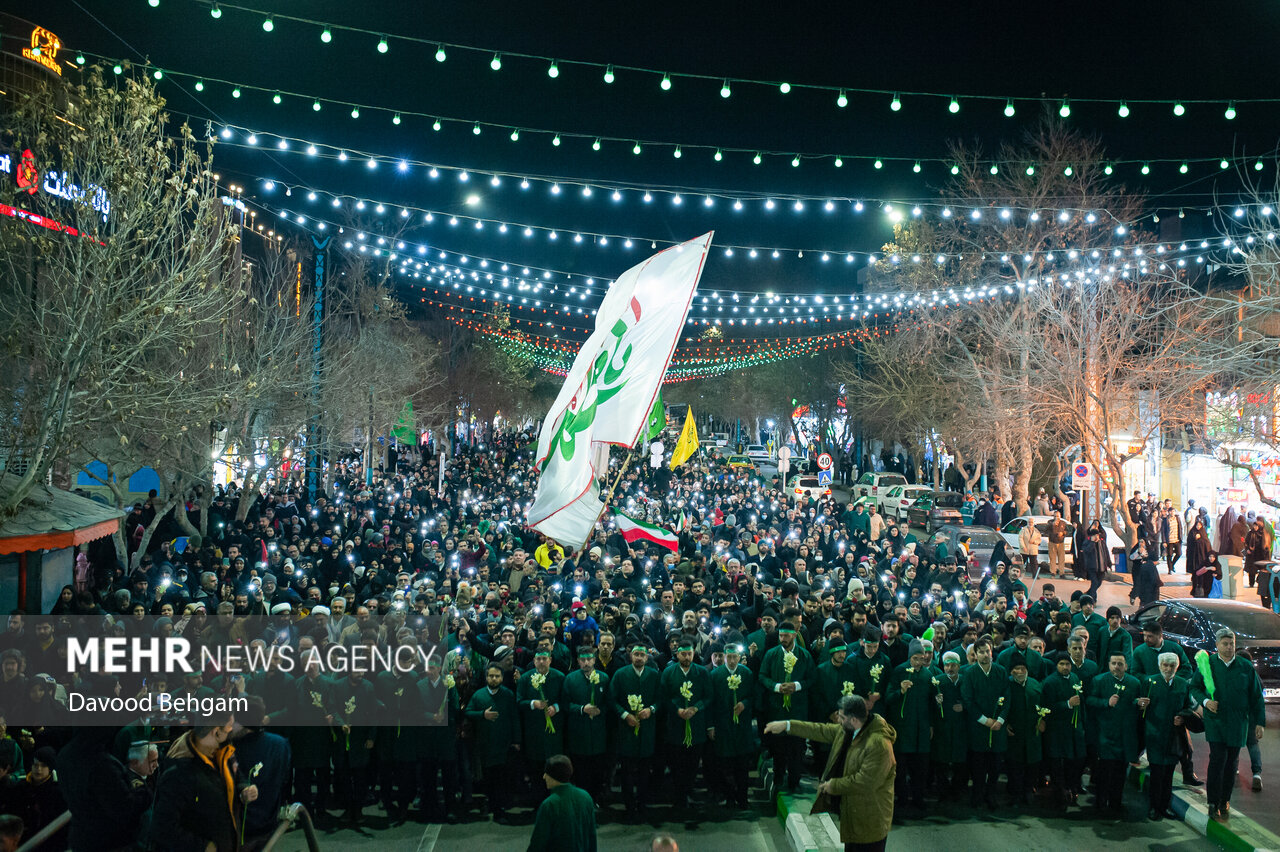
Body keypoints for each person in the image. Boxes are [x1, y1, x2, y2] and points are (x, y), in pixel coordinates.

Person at [764, 695, 895, 852]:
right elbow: (821, 730)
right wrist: (787, 725)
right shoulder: (849, 730)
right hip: (853, 815)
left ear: (853, 719)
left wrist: (833, 785)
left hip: (870, 819)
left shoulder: (879, 744)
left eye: (841, 716)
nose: (838, 719)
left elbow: (865, 782)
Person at [152, 711, 259, 852]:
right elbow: (163, 828)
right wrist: (202, 846)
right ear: (216, 732)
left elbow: (236, 776)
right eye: (229, 726)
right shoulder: (179, 773)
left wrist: (243, 788)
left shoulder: (222, 753)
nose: (232, 729)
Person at [1190, 628, 1266, 821]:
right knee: (1217, 760)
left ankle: (1225, 800)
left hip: (1238, 723)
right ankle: (1212, 802)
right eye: (1225, 643)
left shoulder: (1245, 667)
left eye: (1231, 643)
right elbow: (1195, 686)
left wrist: (1259, 722)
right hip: (1216, 722)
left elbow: (1256, 697)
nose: (1229, 647)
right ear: (1216, 645)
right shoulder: (1209, 664)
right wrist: (1206, 702)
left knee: (1231, 763)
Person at [1137, 651, 1191, 821]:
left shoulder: (1182, 684)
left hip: (1174, 738)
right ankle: (1153, 807)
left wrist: (1182, 717)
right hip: (1155, 735)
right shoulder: (1150, 682)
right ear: (1159, 666)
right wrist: (1140, 704)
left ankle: (1164, 807)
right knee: (1156, 774)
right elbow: (1139, 705)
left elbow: (1188, 706)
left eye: (1172, 666)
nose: (1168, 669)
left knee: (1168, 775)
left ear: (1177, 667)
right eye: (1165, 665)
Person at [526, 755, 597, 852]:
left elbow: (538, 841)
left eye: (547, 773)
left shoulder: (549, 804)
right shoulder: (586, 797)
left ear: (553, 776)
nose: (544, 777)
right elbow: (591, 835)